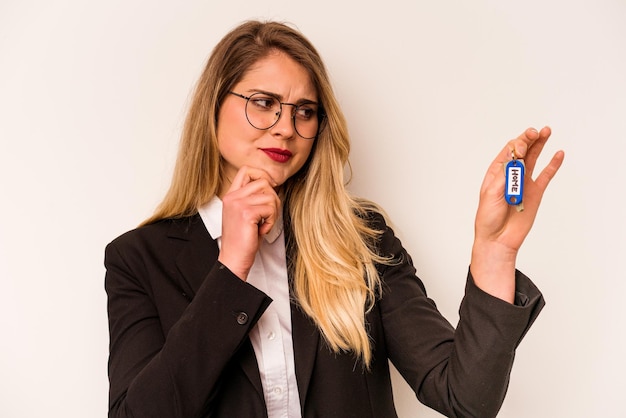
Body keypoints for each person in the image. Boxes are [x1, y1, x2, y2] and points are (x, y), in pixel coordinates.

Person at [104, 20, 564, 418]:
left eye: (305, 111)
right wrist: (231, 270)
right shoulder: (138, 259)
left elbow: (466, 398)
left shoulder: (360, 238)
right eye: (264, 102)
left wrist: (495, 252)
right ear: (214, 108)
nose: (286, 127)